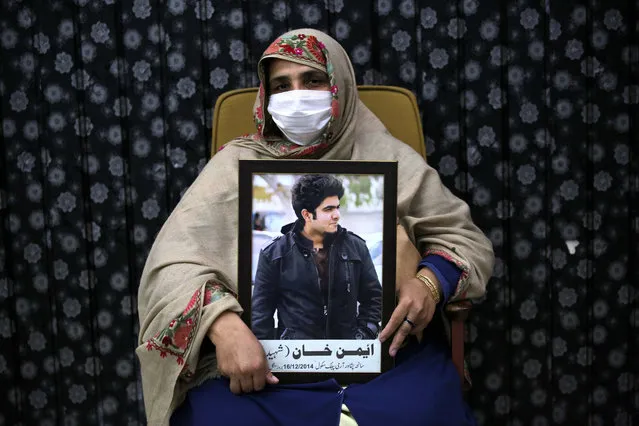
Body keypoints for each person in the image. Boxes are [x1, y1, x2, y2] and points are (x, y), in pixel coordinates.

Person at [136, 28, 494, 426]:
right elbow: (172, 268)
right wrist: (223, 326)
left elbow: (461, 241)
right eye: (281, 85)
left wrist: (429, 283)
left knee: (422, 412)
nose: (297, 96)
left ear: (338, 85)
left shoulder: (387, 158)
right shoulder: (234, 171)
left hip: (386, 363)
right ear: (304, 214)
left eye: (312, 80)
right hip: (269, 373)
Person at [252, 174, 382, 340]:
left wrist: (364, 334)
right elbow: (261, 315)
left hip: (348, 355)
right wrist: (271, 357)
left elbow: (373, 298)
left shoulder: (356, 247)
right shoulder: (275, 253)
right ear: (307, 215)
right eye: (328, 209)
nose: (337, 215)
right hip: (294, 357)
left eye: (337, 207)